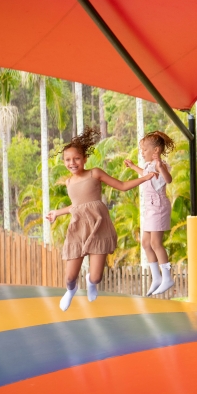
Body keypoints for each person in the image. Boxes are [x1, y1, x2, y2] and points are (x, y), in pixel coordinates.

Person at [46, 128, 157, 311]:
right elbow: (78, 206)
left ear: (84, 159)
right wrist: (57, 212)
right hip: (79, 228)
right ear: (63, 161)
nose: (72, 163)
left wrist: (145, 178)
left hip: (98, 225)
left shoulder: (94, 173)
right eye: (67, 160)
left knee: (96, 277)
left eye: (76, 158)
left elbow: (121, 186)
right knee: (69, 277)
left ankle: (91, 283)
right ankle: (70, 291)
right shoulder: (68, 182)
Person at [125, 131, 175, 296]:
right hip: (150, 207)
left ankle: (167, 277)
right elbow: (145, 175)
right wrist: (133, 166)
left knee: (155, 243)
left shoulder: (162, 165)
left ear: (156, 151)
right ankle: (157, 277)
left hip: (158, 206)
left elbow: (168, 180)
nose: (142, 152)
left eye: (144, 149)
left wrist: (160, 167)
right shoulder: (148, 166)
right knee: (146, 242)